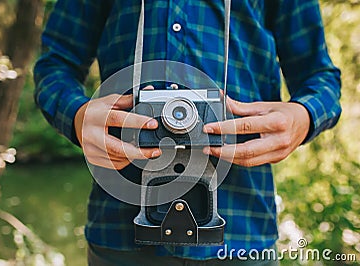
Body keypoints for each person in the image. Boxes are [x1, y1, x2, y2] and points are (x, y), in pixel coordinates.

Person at [33, 0, 341, 265]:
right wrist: (76, 115)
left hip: (242, 227)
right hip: (119, 226)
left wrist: (304, 116)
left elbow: (320, 78)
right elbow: (55, 65)